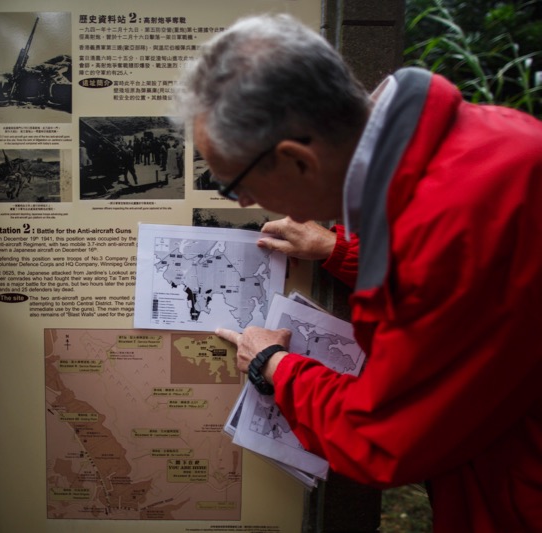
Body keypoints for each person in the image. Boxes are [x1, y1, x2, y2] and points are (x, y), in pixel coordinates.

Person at [176, 13, 542, 532]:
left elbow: (385, 439)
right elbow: (470, 300)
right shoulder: (491, 142)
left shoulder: (447, 231)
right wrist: (341, 252)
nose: (244, 203)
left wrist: (273, 365)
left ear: (297, 160)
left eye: (235, 185)